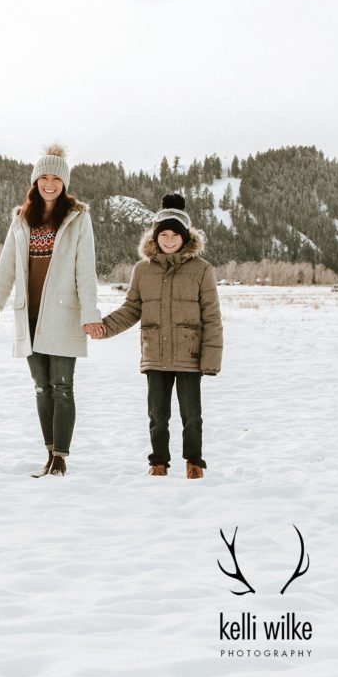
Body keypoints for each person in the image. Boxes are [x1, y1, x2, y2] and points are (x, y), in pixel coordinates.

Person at [0, 144, 104, 477]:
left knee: (62, 386)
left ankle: (61, 458)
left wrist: (90, 314)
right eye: (43, 177)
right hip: (28, 315)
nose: (49, 184)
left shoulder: (77, 217)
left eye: (56, 178)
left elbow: (85, 270)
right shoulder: (22, 219)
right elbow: (4, 273)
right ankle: (49, 454)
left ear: (64, 183)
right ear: (35, 182)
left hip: (63, 314)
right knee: (41, 388)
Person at [98, 193, 223, 479]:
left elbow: (212, 317)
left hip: (189, 356)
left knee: (191, 416)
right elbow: (131, 309)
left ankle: (194, 461)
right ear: (155, 238)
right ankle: (158, 462)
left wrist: (211, 359)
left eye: (174, 234)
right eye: (163, 234)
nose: (168, 240)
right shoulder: (143, 270)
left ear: (185, 237)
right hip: (155, 355)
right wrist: (103, 327)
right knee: (157, 416)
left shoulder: (203, 270)